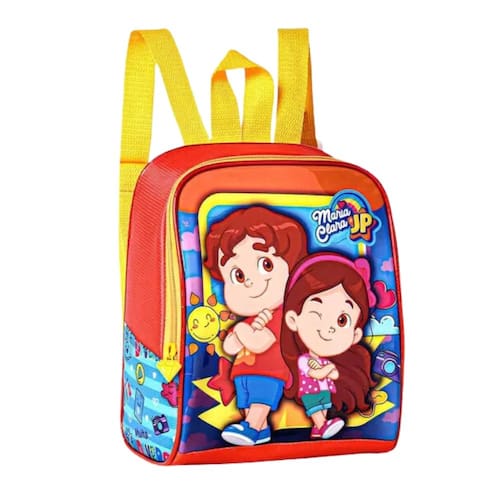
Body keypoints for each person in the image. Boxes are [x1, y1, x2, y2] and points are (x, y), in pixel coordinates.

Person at [204, 206, 307, 445]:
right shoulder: (250, 320)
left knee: (261, 401)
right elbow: (230, 347)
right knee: (248, 402)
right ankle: (260, 431)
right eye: (238, 276)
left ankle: (251, 427)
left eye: (266, 265)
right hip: (244, 372)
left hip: (270, 371)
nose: (250, 281)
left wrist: (241, 332)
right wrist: (238, 334)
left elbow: (261, 342)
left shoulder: (281, 316)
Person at [281, 252, 376, 439]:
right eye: (317, 313)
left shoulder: (325, 361)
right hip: (311, 394)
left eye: (342, 320)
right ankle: (322, 426)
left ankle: (320, 428)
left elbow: (331, 374)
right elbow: (315, 373)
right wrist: (327, 371)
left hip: (323, 391)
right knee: (316, 410)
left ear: (356, 335)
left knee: (323, 408)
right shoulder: (304, 360)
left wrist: (332, 372)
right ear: (293, 319)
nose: (330, 327)